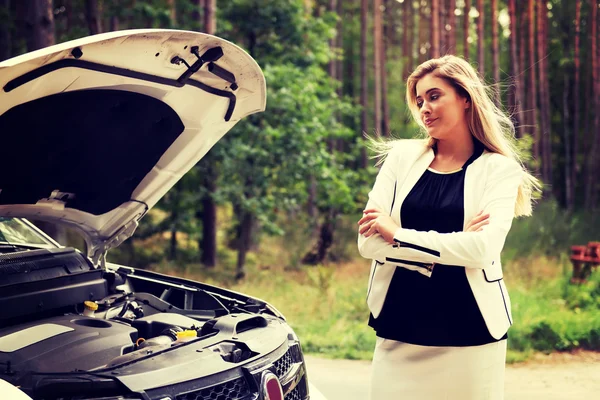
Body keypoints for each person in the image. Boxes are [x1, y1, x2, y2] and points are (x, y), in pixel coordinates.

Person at [357, 55, 539, 400]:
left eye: (435, 96)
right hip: (399, 326)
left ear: (466, 97)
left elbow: (483, 250)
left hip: (469, 330)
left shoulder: (499, 170)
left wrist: (396, 234)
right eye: (420, 100)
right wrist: (450, 247)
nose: (424, 108)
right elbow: (367, 244)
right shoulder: (400, 159)